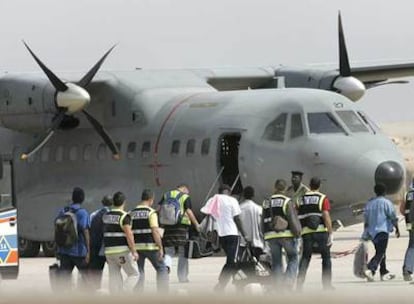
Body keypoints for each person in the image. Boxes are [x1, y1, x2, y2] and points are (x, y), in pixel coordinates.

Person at [205, 184, 248, 292]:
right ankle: (223, 284)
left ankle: (236, 283)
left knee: (231, 260)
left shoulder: (213, 199)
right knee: (232, 261)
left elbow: (207, 214)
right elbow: (237, 218)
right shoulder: (232, 200)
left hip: (222, 235)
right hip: (233, 234)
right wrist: (244, 234)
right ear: (228, 191)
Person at [263, 179, 301, 290]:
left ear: (274, 188)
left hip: (271, 236)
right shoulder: (287, 201)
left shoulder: (266, 202)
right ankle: (288, 282)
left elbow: (262, 220)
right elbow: (292, 218)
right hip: (286, 235)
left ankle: (278, 285)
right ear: (284, 189)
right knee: (293, 257)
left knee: (276, 262)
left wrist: (264, 235)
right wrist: (297, 233)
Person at [296, 177, 334, 291]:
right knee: (326, 258)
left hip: (306, 233)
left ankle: (299, 285)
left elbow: (296, 215)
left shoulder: (301, 199)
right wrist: (330, 232)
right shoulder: (322, 198)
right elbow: (326, 216)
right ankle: (326, 285)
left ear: (310, 185)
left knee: (305, 258)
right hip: (321, 232)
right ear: (319, 185)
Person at [159, 184, 200, 283]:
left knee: (169, 252)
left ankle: (166, 268)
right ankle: (182, 277)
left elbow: (159, 209)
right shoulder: (185, 197)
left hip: (168, 226)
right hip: (182, 227)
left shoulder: (166, 195)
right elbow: (189, 212)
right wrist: (196, 225)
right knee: (183, 253)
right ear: (185, 189)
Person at [130, 189, 169, 292]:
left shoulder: (132, 212)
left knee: (140, 272)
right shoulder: (151, 212)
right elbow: (155, 231)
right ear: (151, 199)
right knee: (161, 268)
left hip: (137, 248)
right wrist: (160, 247)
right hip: (151, 247)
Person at [362, 183, 400, 282]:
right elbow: (392, 216)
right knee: (381, 252)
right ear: (384, 192)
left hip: (372, 232)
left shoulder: (369, 203)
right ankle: (370, 268)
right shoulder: (386, 203)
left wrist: (365, 233)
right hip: (382, 231)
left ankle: (383, 272)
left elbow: (365, 219)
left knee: (381, 252)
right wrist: (397, 228)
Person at [103, 191, 139, 293]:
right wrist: (134, 251)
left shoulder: (106, 215)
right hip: (122, 251)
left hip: (109, 252)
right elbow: (129, 234)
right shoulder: (124, 216)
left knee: (114, 277)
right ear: (124, 202)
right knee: (134, 274)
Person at [55, 187, 90, 291]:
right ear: (82, 198)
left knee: (64, 282)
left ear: (72, 198)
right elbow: (85, 232)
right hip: (78, 252)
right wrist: (88, 251)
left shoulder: (63, 211)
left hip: (64, 250)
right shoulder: (82, 212)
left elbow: (58, 229)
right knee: (87, 278)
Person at [88, 195, 113, 290]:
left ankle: (95, 291)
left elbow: (89, 230)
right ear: (112, 203)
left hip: (95, 247)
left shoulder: (94, 214)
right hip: (108, 248)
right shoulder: (111, 215)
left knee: (96, 272)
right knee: (114, 272)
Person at [238, 186, 264, 260]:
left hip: (243, 242)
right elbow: (261, 225)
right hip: (257, 241)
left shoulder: (239, 208)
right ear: (253, 195)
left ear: (243, 195)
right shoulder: (258, 208)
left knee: (244, 265)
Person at [400, 179, 414, 281]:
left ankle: (407, 269)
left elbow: (402, 210)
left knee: (412, 246)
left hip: (410, 224)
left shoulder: (408, 194)